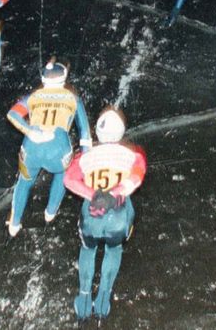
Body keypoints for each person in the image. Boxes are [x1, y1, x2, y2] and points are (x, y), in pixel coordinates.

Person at [63, 107, 147, 321]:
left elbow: (69, 180)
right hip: (119, 216)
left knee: (88, 249)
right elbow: (138, 175)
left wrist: (93, 195)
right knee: (114, 248)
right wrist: (115, 194)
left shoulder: (84, 155)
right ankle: (103, 299)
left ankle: (83, 300)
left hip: (92, 217)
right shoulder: (133, 153)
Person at [5, 60, 92, 237]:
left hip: (31, 147)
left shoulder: (34, 97)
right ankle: (50, 212)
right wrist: (85, 158)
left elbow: (12, 114)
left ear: (43, 79)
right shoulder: (73, 99)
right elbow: (85, 133)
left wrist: (30, 130)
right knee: (61, 175)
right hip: (58, 149)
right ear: (64, 79)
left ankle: (14, 224)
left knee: (24, 181)